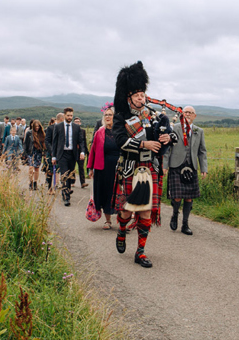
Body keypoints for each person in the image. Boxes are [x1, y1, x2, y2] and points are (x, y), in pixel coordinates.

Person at [111, 61, 174, 268]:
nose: (141, 98)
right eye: (137, 95)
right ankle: (122, 230)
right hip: (130, 168)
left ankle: (140, 252)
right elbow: (120, 141)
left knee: (146, 211)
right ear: (128, 96)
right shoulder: (121, 117)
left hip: (150, 168)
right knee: (127, 211)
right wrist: (143, 144)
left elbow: (167, 133)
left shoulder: (153, 114)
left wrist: (167, 138)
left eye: (143, 94)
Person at [163, 106, 208, 235]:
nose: (187, 115)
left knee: (189, 198)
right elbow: (168, 148)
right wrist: (165, 165)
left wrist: (204, 168)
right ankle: (175, 215)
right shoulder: (174, 129)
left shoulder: (199, 131)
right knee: (177, 197)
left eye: (190, 113)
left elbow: (202, 151)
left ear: (195, 116)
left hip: (191, 167)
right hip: (176, 166)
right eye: (185, 112)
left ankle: (185, 224)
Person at [87, 107, 118, 229]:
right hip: (102, 167)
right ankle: (108, 220)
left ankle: (122, 221)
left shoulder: (120, 131)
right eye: (106, 115)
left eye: (110, 114)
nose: (108, 117)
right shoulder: (99, 132)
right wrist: (90, 168)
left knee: (118, 193)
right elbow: (93, 151)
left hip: (118, 167)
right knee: (105, 192)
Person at [51, 107, 86, 206]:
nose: (70, 117)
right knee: (64, 174)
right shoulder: (58, 127)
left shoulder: (76, 127)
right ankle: (67, 197)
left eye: (71, 115)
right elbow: (55, 142)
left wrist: (82, 152)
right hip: (62, 154)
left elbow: (81, 141)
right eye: (68, 115)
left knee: (70, 175)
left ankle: (66, 190)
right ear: (64, 115)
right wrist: (54, 156)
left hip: (72, 154)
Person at [24, 120, 45, 190]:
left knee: (36, 168)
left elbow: (44, 143)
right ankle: (31, 182)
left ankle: (35, 183)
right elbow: (26, 143)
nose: (37, 128)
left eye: (38, 126)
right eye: (35, 126)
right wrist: (25, 153)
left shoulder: (41, 133)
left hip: (38, 152)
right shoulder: (29, 133)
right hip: (31, 152)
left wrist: (43, 152)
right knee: (31, 168)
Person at [44, 117, 60, 192]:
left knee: (59, 170)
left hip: (60, 153)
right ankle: (50, 188)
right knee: (50, 171)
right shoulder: (50, 128)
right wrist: (52, 151)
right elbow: (47, 141)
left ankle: (60, 186)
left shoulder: (63, 128)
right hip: (51, 152)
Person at [74, 117, 88, 188]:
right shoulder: (72, 130)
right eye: (76, 121)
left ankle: (83, 182)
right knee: (72, 167)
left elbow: (84, 141)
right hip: (73, 151)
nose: (77, 123)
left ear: (80, 123)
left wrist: (85, 151)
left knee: (81, 167)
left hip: (80, 152)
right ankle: (72, 181)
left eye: (78, 121)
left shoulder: (83, 131)